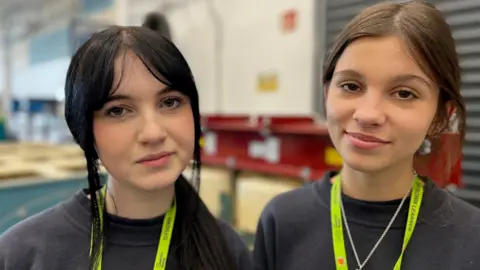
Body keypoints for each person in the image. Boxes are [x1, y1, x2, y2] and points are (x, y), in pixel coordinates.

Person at [0, 24, 252, 270]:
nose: (153, 133)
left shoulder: (228, 251)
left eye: (170, 102)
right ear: (85, 131)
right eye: (118, 110)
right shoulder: (22, 254)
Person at [253, 1, 480, 270]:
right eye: (351, 86)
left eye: (404, 93)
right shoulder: (281, 221)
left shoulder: (471, 237)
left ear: (441, 116)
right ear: (327, 93)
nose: (368, 114)